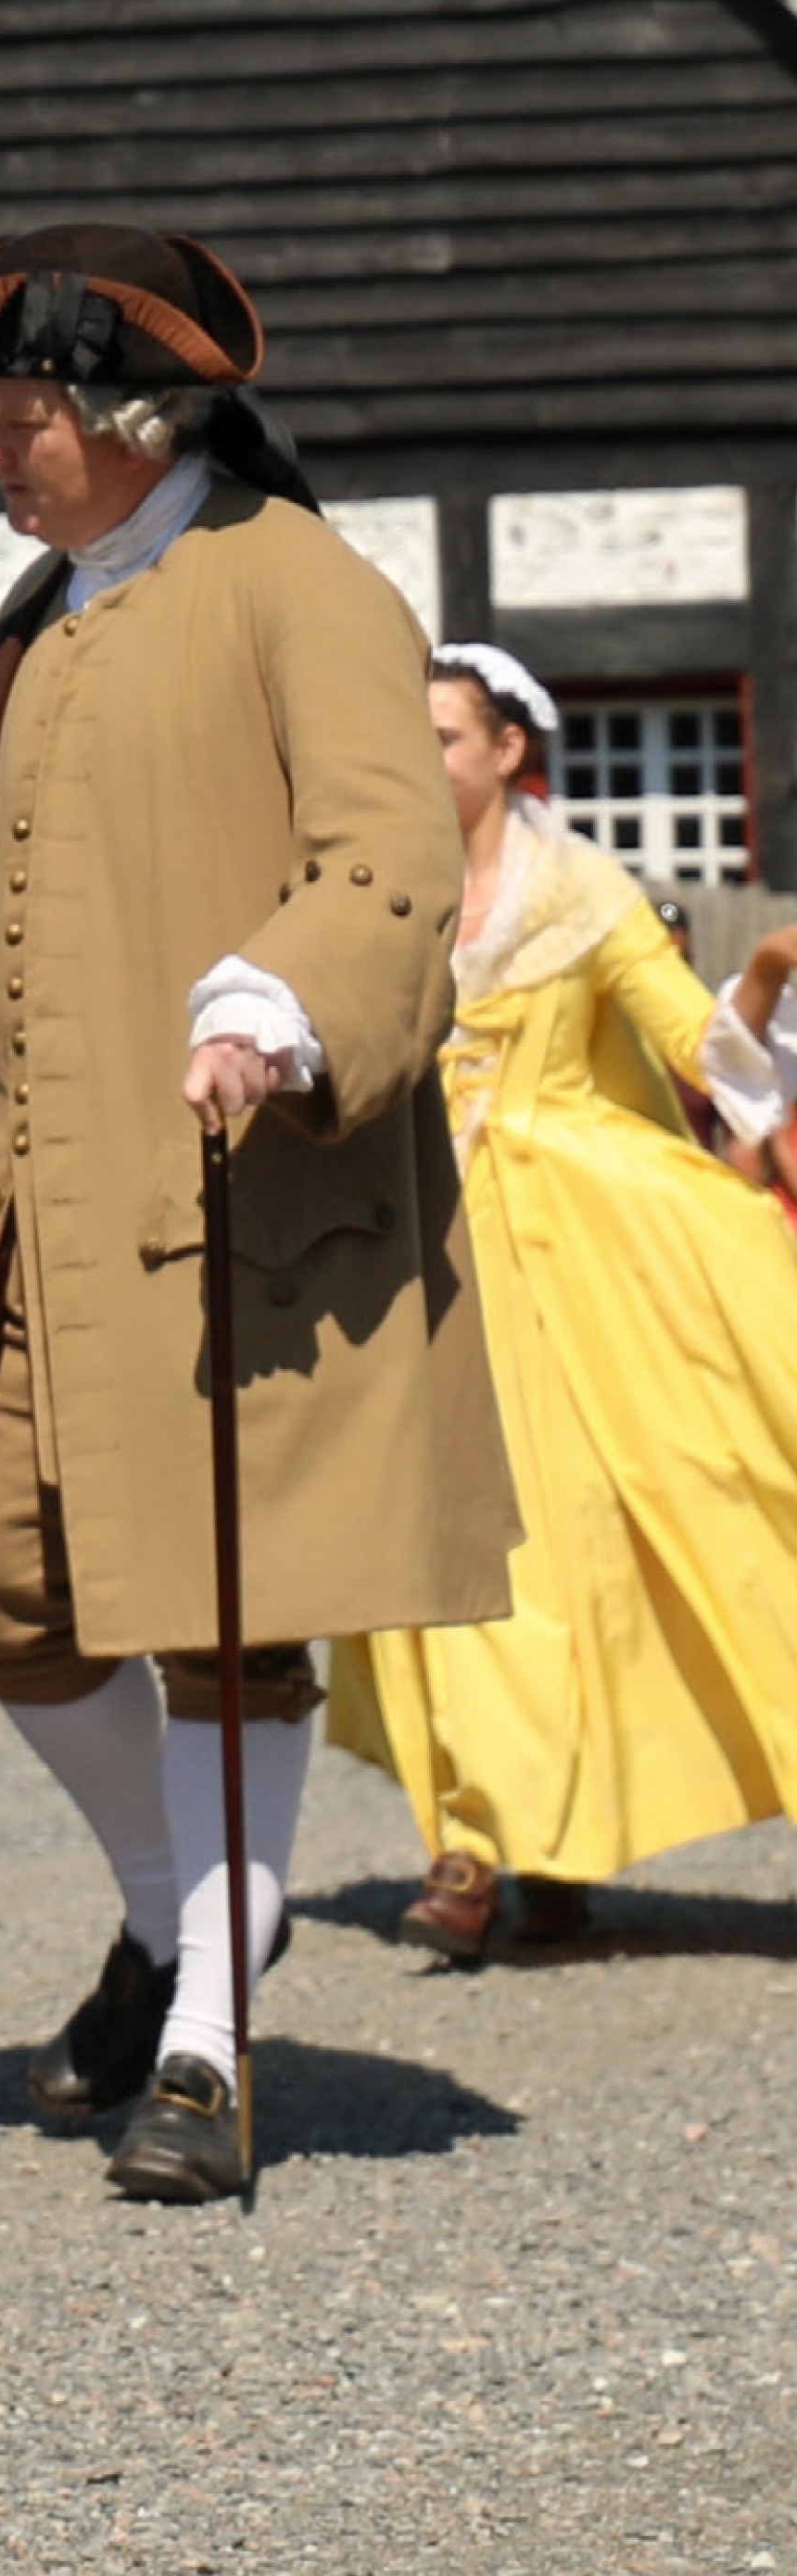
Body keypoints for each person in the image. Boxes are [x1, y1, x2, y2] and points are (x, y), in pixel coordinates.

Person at [0, 225, 513, 2200]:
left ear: (126, 417)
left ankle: (206, 2022)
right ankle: (180, 1906)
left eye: (12, 416)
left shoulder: (303, 585)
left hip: (232, 1204)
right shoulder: (41, 607)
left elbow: (388, 861)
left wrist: (272, 999)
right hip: (28, 1212)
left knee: (226, 1618)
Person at [328, 640, 797, 1957]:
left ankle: (517, 1842)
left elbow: (699, 1049)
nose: (420, 764)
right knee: (445, 1541)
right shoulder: (384, 896)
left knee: (594, 1551)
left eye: (442, 740)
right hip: (425, 1256)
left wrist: (763, 963)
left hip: (584, 1255)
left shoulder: (589, 895)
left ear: (506, 752)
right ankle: (486, 1834)